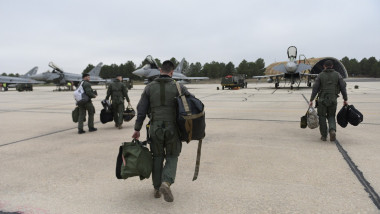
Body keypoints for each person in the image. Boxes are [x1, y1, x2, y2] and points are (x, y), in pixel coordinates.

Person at [132, 60, 191, 202]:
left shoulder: (149, 88)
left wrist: (137, 129)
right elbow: (192, 104)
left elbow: (141, 110)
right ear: (171, 72)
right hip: (173, 128)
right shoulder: (179, 87)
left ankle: (157, 188)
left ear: (160, 71)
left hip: (155, 128)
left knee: (157, 157)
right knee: (172, 156)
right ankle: (166, 182)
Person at [309, 60, 348, 141]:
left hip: (322, 100)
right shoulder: (338, 75)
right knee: (331, 116)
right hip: (333, 100)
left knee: (322, 117)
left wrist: (311, 99)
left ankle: (324, 136)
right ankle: (332, 130)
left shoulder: (320, 75)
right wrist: (345, 99)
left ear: (324, 66)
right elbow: (343, 87)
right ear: (332, 66)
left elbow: (315, 88)